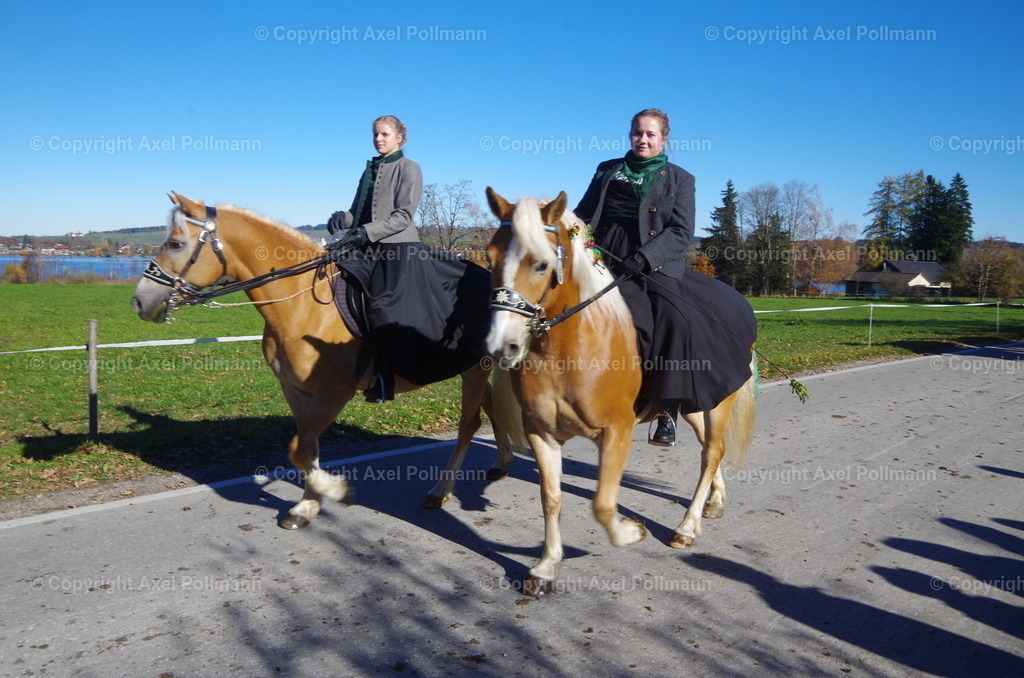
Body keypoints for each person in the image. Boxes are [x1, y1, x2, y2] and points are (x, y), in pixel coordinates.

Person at [575, 108, 756, 446]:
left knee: (675, 319)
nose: (643, 139)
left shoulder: (680, 178)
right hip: (601, 258)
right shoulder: (606, 170)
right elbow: (583, 214)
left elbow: (681, 231)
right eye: (637, 133)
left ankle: (665, 410)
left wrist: (644, 257)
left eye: (650, 134)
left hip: (653, 263)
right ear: (630, 134)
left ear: (663, 139)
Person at [326, 115, 492, 402]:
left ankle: (385, 375)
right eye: (376, 135)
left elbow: (403, 217)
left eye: (384, 135)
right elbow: (359, 212)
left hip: (398, 250)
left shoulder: (409, 168)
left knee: (384, 307)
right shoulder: (369, 171)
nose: (378, 139)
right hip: (365, 246)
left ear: (399, 137)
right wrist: (344, 218)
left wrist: (367, 232)